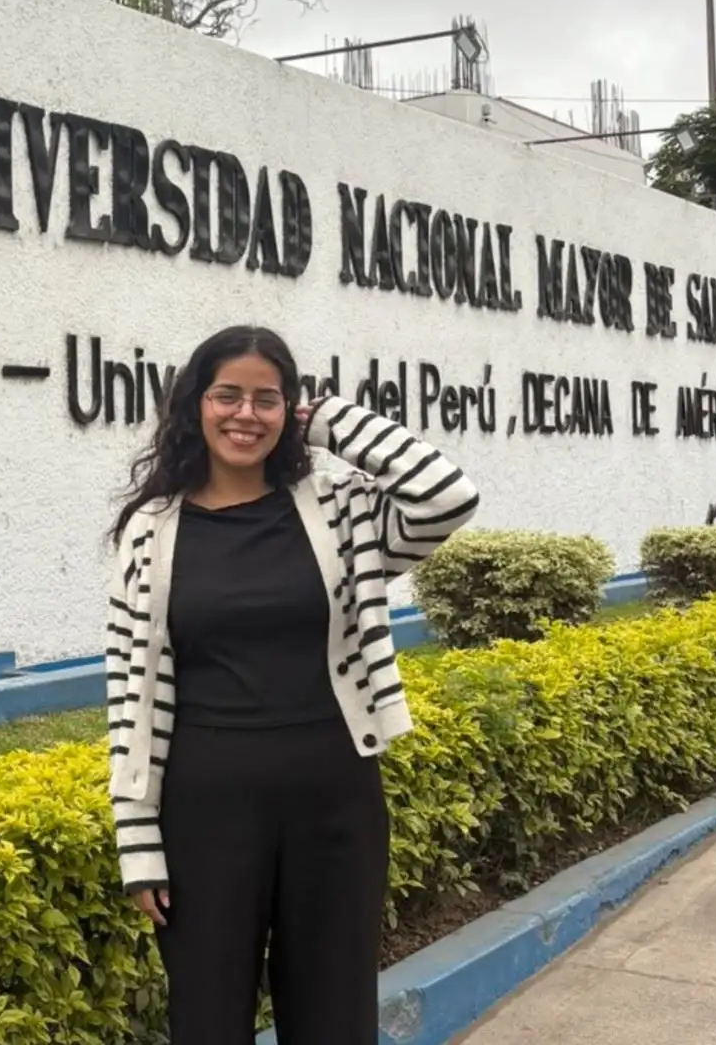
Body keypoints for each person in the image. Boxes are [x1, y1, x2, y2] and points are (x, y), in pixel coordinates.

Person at [103, 325, 479, 1043]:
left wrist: (332, 420)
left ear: (289, 412)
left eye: (267, 399)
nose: (246, 414)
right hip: (203, 807)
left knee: (334, 1014)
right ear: (195, 404)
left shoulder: (338, 511)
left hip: (334, 798)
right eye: (228, 395)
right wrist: (138, 839)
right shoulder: (150, 530)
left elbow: (447, 497)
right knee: (208, 1018)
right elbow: (129, 694)